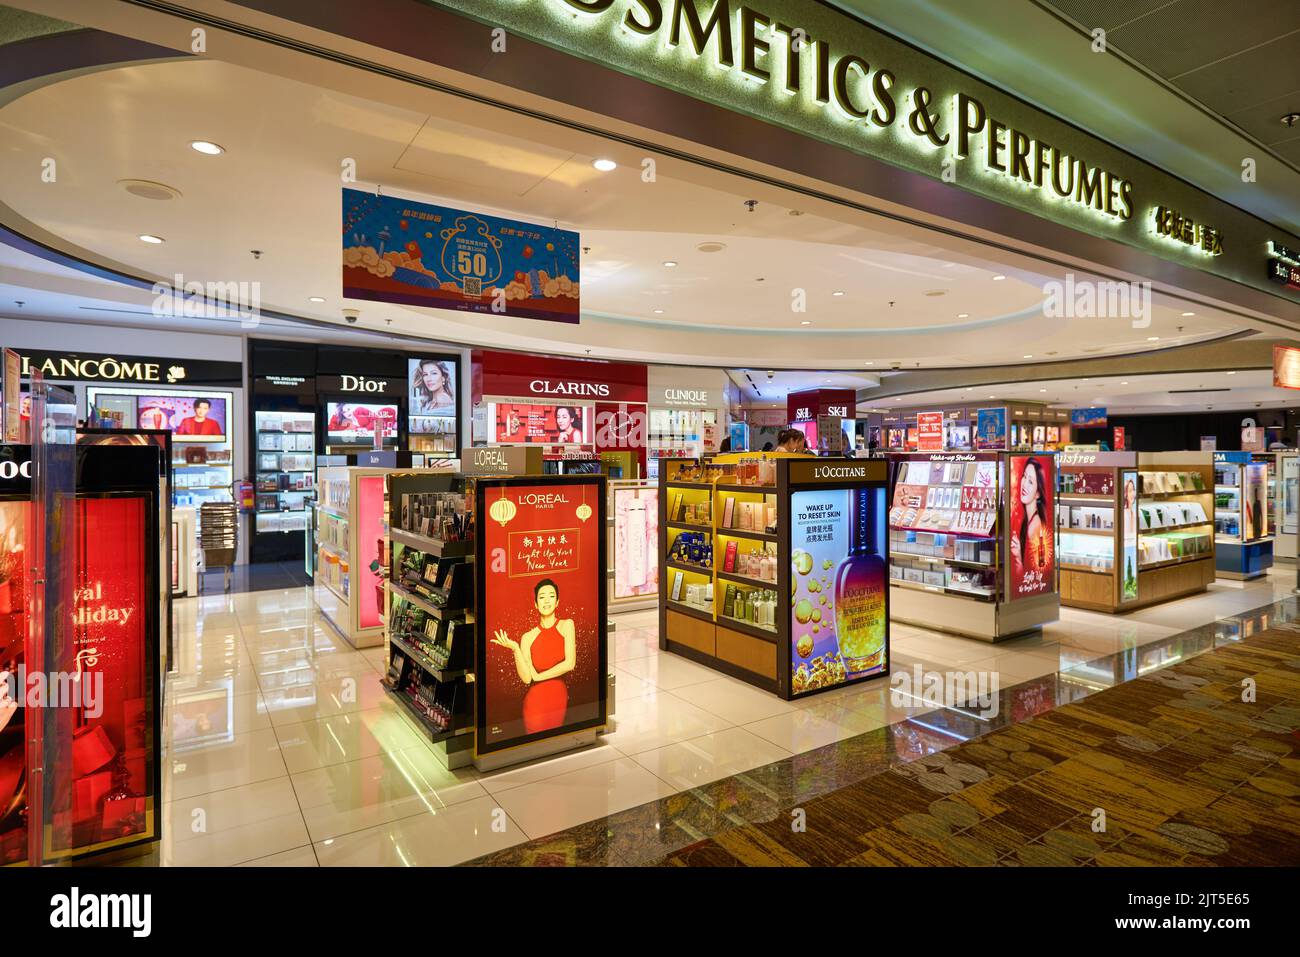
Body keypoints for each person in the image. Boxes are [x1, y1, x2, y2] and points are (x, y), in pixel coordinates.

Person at [491, 579, 576, 734]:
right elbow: (527, 678)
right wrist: (516, 649)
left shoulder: (567, 625)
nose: (547, 600)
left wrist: (539, 676)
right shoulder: (527, 637)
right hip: (534, 702)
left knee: (554, 739)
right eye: (542, 597)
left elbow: (569, 664)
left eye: (551, 596)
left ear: (557, 602)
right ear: (536, 604)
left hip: (558, 697)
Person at [1010, 458, 1049, 584]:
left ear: (1038, 493)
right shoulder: (1028, 520)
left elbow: (1031, 575)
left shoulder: (1035, 525)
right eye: (1024, 477)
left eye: (1031, 482)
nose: (1024, 484)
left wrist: (1018, 558)